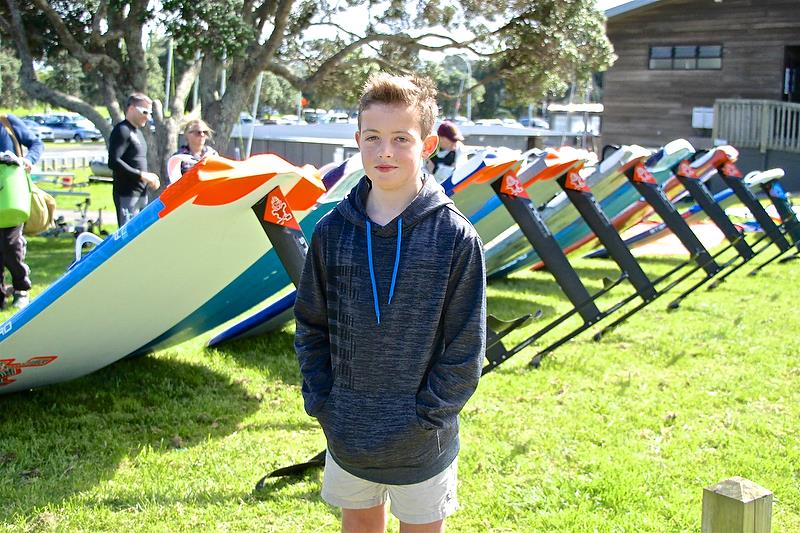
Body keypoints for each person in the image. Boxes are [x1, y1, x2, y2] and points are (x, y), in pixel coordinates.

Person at [294, 73, 487, 533]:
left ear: (427, 145)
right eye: (374, 138)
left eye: (401, 138)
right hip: (348, 432)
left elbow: (466, 347)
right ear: (357, 140)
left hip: (424, 441)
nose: (385, 151)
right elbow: (310, 326)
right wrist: (324, 402)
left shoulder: (455, 236)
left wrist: (427, 418)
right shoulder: (331, 231)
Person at [0, 114, 44, 309]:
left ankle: (21, 288)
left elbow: (36, 143)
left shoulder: (6, 122)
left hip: (11, 194)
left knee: (10, 245)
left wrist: (27, 160)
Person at [108, 92, 160, 227]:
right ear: (131, 109)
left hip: (140, 193)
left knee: (141, 235)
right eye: (144, 112)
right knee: (129, 237)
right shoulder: (122, 130)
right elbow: (114, 161)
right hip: (126, 194)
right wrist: (142, 175)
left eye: (150, 113)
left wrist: (149, 177)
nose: (147, 117)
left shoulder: (137, 132)